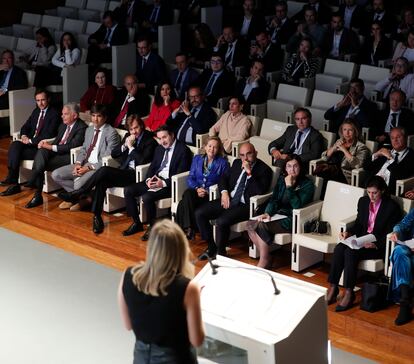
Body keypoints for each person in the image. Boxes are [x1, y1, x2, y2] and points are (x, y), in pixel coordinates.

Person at [118, 219, 204, 364]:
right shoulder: (188, 288)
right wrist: (195, 302)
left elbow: (128, 325)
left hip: (141, 357)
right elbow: (197, 340)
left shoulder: (127, 276)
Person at [58, 115, 157, 233]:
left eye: (136, 128)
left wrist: (131, 148)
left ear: (141, 125)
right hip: (124, 171)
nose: (134, 132)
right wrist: (125, 145)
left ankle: (79, 192)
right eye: (131, 129)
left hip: (137, 174)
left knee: (104, 170)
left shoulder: (149, 140)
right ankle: (97, 216)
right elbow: (115, 154)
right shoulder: (128, 136)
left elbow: (142, 161)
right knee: (102, 181)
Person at [326, 176, 401, 312]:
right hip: (361, 239)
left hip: (377, 245)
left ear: (382, 191)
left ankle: (349, 291)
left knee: (350, 252)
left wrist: (376, 244)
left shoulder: (391, 207)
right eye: (369, 192)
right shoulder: (363, 201)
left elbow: (392, 233)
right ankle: (333, 286)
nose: (371, 196)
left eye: (374, 193)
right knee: (339, 249)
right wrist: (348, 232)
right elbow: (359, 224)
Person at [195, 142, 272, 259]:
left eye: (249, 154)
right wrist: (224, 192)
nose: (245, 158)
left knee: (222, 221)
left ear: (255, 153)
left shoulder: (264, 169)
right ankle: (211, 247)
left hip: (245, 205)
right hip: (229, 198)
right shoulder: (236, 163)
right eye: (242, 155)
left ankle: (221, 253)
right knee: (199, 213)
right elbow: (223, 178)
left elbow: (260, 190)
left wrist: (249, 173)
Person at [7, 103, 87, 208]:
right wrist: (45, 144)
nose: (62, 116)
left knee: (41, 162)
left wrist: (50, 147)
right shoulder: (63, 125)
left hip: (68, 156)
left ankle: (36, 190)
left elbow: (71, 146)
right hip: (56, 152)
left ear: (75, 116)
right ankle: (36, 189)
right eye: (62, 114)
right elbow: (57, 140)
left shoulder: (81, 127)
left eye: (65, 114)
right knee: (41, 151)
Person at [123, 125, 192, 239]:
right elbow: (152, 167)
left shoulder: (183, 150)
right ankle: (137, 223)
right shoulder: (159, 149)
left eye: (164, 137)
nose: (162, 141)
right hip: (155, 179)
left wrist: (163, 183)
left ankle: (152, 227)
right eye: (159, 138)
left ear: (172, 135)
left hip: (169, 185)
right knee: (129, 190)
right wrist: (149, 179)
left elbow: (180, 174)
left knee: (147, 197)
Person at [247, 155, 314, 268]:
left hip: (293, 218)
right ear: (285, 168)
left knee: (261, 226)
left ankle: (264, 261)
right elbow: (274, 200)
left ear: (300, 167)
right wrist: (267, 213)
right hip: (278, 214)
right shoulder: (281, 180)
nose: (292, 169)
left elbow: (297, 205)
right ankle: (267, 256)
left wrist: (289, 187)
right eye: (289, 166)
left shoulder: (307, 184)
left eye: (295, 166)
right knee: (249, 224)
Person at [52, 104, 120, 210]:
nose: (95, 119)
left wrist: (87, 168)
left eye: (99, 116)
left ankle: (76, 198)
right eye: (93, 115)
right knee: (56, 175)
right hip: (84, 163)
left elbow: (107, 159)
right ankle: (84, 198)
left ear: (105, 118)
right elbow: (83, 149)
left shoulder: (111, 133)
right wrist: (78, 163)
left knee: (77, 186)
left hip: (97, 167)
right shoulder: (89, 130)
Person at [0, 90, 60, 190]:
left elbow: (49, 134)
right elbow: (25, 126)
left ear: (48, 99)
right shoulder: (36, 111)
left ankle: (13, 180)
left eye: (43, 100)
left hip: (40, 147)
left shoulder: (54, 113)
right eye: (38, 100)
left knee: (15, 152)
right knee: (15, 144)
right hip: (29, 144)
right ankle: (12, 177)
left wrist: (31, 141)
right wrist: (23, 136)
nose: (40, 103)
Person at [176, 136, 229, 240]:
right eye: (209, 146)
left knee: (183, 203)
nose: (211, 149)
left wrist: (207, 191)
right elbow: (191, 177)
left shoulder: (223, 163)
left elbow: (224, 182)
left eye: (215, 147)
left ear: (218, 149)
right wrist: (197, 188)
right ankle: (191, 227)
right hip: (196, 192)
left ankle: (187, 228)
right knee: (188, 194)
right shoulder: (197, 159)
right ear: (205, 147)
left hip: (210, 196)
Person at [315, 119, 370, 184]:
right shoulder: (340, 141)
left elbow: (358, 165)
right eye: (345, 130)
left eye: (350, 130)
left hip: (345, 176)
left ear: (356, 132)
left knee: (323, 174)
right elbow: (324, 157)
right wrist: (333, 148)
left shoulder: (361, 147)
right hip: (332, 170)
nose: (347, 133)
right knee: (320, 171)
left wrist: (344, 150)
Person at [366, 127, 414, 193]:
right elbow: (366, 167)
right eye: (392, 138)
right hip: (370, 185)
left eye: (398, 137)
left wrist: (390, 158)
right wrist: (376, 154)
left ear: (406, 138)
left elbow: (401, 175)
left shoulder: (411, 156)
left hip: (387, 190)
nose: (395, 140)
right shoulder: (385, 149)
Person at [389, 207, 414, 325]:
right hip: (411, 247)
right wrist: (396, 232)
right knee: (399, 251)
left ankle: (405, 303)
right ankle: (405, 301)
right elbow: (402, 224)